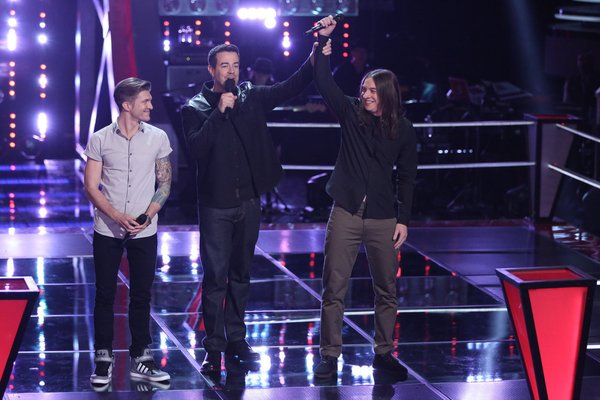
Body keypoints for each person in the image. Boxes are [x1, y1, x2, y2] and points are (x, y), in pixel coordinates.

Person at [181, 41, 331, 373]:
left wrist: (314, 55)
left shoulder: (249, 96)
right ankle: (213, 348)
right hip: (216, 206)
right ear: (211, 69)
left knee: (241, 274)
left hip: (248, 202)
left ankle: (237, 339)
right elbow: (196, 149)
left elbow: (290, 87)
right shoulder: (195, 107)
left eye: (235, 65)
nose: (231, 72)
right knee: (215, 277)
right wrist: (219, 112)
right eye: (224, 66)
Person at [310, 16, 418, 380]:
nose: (366, 95)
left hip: (384, 216)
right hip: (346, 210)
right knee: (333, 287)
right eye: (364, 89)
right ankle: (329, 356)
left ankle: (384, 353)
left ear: (386, 94)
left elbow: (407, 177)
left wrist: (404, 219)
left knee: (387, 289)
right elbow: (324, 83)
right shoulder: (351, 113)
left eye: (372, 91)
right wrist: (321, 45)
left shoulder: (403, 129)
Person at [84, 77, 172, 387]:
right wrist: (117, 216)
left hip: (145, 230)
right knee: (105, 294)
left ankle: (141, 358)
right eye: (145, 100)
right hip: (108, 229)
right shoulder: (100, 139)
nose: (151, 105)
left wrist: (148, 215)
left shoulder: (158, 137)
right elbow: (91, 187)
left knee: (142, 294)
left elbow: (164, 183)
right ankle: (103, 360)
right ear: (126, 104)